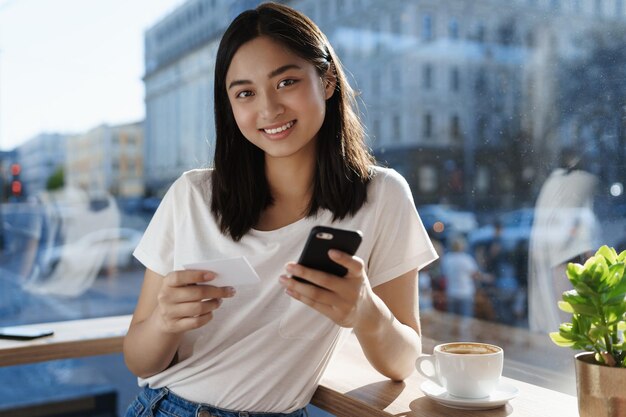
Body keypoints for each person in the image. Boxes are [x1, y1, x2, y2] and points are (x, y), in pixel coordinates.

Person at [123, 3, 438, 417]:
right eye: (245, 93)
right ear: (230, 105)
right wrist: (165, 321)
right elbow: (139, 360)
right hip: (168, 407)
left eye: (286, 81)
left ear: (326, 80)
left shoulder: (382, 195)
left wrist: (365, 310)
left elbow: (401, 363)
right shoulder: (192, 195)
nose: (269, 110)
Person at [440, 236, 481, 317]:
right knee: (465, 320)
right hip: (465, 293)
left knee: (452, 320)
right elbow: (475, 275)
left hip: (451, 292)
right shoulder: (467, 259)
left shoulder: (447, 258)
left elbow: (444, 274)